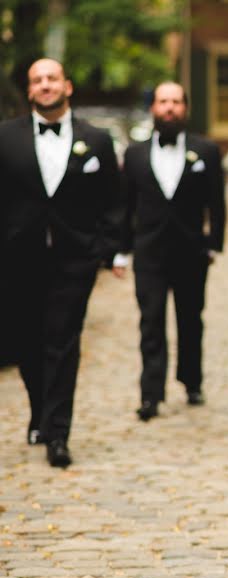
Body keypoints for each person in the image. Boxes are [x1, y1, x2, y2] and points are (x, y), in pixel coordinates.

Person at [0, 58, 123, 467]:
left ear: (67, 86)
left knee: (64, 340)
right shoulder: (6, 138)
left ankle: (58, 432)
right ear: (30, 90)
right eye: (37, 80)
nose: (46, 85)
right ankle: (39, 408)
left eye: (52, 78)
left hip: (76, 257)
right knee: (26, 341)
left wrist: (107, 248)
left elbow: (113, 200)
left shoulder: (98, 140)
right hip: (19, 257)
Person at [118, 82, 225, 421]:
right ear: (153, 108)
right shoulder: (134, 154)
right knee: (151, 322)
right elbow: (124, 206)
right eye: (163, 102)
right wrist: (120, 250)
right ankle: (151, 393)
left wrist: (214, 244)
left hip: (191, 251)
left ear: (185, 108)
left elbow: (217, 202)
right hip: (149, 252)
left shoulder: (205, 151)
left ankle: (191, 380)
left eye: (176, 102)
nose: (169, 108)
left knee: (190, 320)